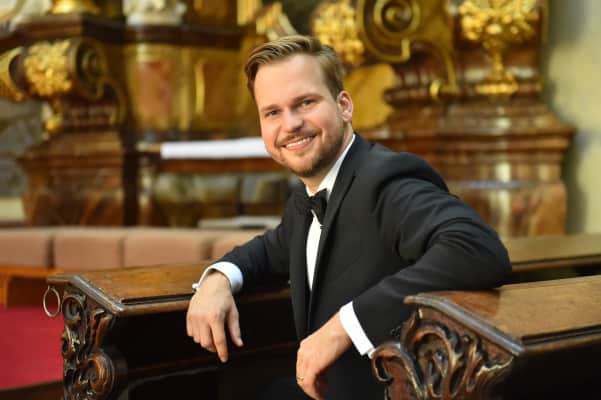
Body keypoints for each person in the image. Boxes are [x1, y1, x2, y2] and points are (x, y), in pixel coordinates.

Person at [186, 35, 511, 399]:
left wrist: (345, 325)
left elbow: (477, 248)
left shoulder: (385, 181)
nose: (290, 124)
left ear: (343, 105)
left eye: (305, 102)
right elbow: (267, 250)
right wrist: (218, 279)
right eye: (272, 112)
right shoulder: (306, 197)